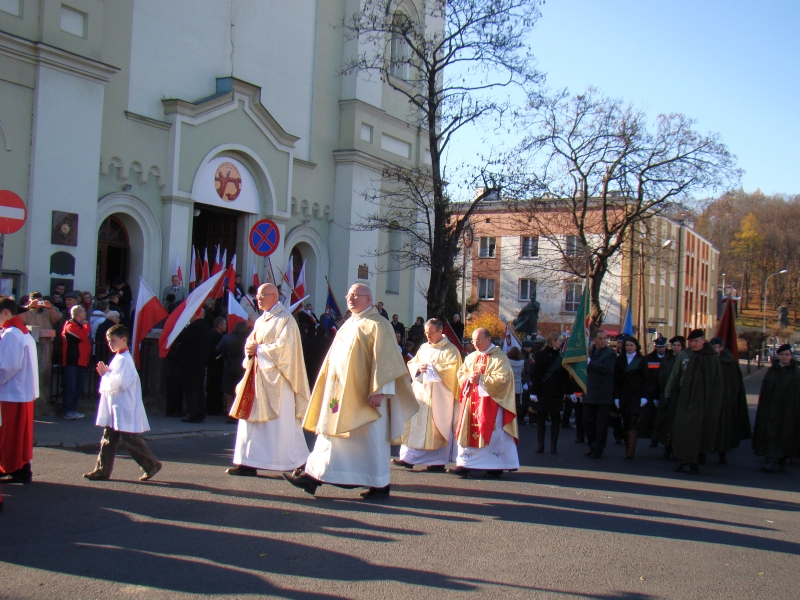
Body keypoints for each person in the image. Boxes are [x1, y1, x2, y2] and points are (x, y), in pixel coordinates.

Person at [284, 283, 417, 500]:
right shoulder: (348, 325)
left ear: (369, 299)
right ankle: (312, 477)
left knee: (370, 440)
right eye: (349, 295)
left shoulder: (379, 325)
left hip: (367, 395)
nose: (351, 298)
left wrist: (380, 391)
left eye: (356, 295)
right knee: (331, 436)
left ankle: (379, 484)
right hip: (339, 394)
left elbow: (387, 361)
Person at [226, 284, 311, 476]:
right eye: (257, 296)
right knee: (250, 421)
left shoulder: (285, 319)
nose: (258, 299)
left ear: (274, 296)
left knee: (281, 424)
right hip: (257, 377)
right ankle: (247, 462)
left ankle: (294, 461)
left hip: (279, 381)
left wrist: (260, 350)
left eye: (262, 295)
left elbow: (286, 348)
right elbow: (252, 341)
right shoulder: (261, 320)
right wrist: (250, 350)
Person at [83, 325, 162, 482]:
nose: (110, 344)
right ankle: (102, 470)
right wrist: (107, 375)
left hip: (124, 407)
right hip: (116, 407)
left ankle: (151, 464)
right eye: (108, 341)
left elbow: (120, 384)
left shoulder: (125, 360)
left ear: (124, 339)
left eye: (113, 340)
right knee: (109, 438)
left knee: (129, 439)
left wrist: (105, 375)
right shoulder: (119, 358)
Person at [394, 318, 462, 471]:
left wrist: (432, 367)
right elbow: (412, 363)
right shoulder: (424, 347)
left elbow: (453, 371)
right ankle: (408, 458)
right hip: (421, 393)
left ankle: (437, 461)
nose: (428, 336)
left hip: (439, 397)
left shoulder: (451, 350)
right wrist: (419, 367)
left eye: (431, 333)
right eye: (426, 332)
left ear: (440, 331)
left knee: (435, 427)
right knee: (413, 424)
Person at [451, 327, 519, 477]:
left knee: (494, 433)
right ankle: (465, 464)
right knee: (467, 430)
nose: (475, 344)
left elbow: (503, 379)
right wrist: (468, 378)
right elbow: (461, 374)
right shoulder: (471, 357)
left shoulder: (499, 358)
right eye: (473, 340)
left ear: (489, 340)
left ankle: (495, 465)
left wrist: (481, 379)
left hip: (491, 403)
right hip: (471, 402)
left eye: (479, 340)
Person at [664, 329, 723, 474]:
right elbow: (675, 375)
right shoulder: (687, 355)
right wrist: (668, 394)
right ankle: (683, 459)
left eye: (696, 341)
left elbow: (716, 382)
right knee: (682, 429)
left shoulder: (711, 357)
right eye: (691, 341)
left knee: (699, 431)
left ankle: (694, 461)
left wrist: (713, 402)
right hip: (685, 397)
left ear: (703, 341)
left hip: (703, 399)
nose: (693, 344)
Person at [0, 297, 39, 489]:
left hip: (11, 392)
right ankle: (21, 469)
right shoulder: (22, 333)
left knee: (11, 434)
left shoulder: (11, 334)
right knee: (19, 434)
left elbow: (7, 366)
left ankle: (14, 469)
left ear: (6, 313)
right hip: (21, 391)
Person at [752, 344, 800, 472]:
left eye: (787, 355)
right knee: (770, 432)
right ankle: (769, 459)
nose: (784, 357)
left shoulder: (796, 372)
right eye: (782, 355)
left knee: (786, 434)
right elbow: (765, 388)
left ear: (791, 356)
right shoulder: (772, 371)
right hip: (771, 408)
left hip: (789, 409)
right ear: (778, 356)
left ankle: (783, 460)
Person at [710, 337, 752, 464]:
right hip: (709, 401)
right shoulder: (707, 361)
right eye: (712, 347)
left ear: (721, 348)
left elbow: (735, 384)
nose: (714, 349)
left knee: (723, 428)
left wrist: (730, 398)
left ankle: (722, 452)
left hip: (725, 401)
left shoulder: (729, 363)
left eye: (716, 347)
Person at [530, 332, 571, 454]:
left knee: (555, 418)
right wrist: (534, 392)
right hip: (543, 391)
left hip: (556, 392)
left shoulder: (561, 356)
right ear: (552, 341)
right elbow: (537, 375)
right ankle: (540, 445)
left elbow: (565, 376)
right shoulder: (541, 355)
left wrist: (569, 391)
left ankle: (554, 445)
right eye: (559, 341)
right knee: (541, 418)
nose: (561, 343)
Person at [613, 337, 649, 460]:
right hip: (624, 395)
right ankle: (627, 446)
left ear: (636, 346)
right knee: (625, 421)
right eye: (627, 345)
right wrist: (616, 397)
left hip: (636, 394)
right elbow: (616, 380)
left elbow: (646, 380)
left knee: (633, 420)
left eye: (631, 345)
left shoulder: (641, 360)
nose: (629, 347)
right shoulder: (620, 360)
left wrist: (645, 396)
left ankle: (631, 450)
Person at [583, 330, 616, 459]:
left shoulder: (609, 354)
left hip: (603, 394)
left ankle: (598, 448)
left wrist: (591, 363)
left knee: (601, 424)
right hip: (590, 393)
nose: (603, 341)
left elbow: (607, 369)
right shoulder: (590, 352)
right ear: (595, 340)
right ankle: (592, 445)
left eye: (605, 338)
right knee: (588, 422)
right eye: (600, 338)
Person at [175, 309, 212, 423]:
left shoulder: (193, 327)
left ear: (197, 314)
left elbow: (182, 338)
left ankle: (194, 413)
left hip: (190, 363)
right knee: (199, 389)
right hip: (201, 362)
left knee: (191, 389)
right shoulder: (206, 327)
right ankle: (201, 412)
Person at [653, 336, 683, 458]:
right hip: (667, 395)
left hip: (681, 396)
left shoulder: (686, 358)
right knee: (666, 423)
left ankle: (678, 449)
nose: (675, 348)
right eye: (674, 345)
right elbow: (660, 377)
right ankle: (667, 447)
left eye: (678, 345)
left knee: (678, 424)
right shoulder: (667, 359)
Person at [61, 305, 91, 419]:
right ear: (78, 313)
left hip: (81, 361)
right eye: (83, 312)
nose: (85, 314)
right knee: (71, 387)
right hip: (72, 361)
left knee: (78, 387)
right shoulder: (70, 326)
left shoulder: (80, 326)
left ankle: (72, 409)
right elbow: (82, 336)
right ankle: (68, 411)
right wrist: (86, 324)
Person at [218, 321, 251, 423]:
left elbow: (232, 350)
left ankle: (232, 413)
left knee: (232, 391)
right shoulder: (254, 333)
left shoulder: (242, 336)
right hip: (246, 367)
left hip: (237, 367)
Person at [639, 336, 668, 446]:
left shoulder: (669, 358)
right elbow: (646, 376)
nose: (661, 349)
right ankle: (653, 438)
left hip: (665, 390)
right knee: (652, 417)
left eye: (663, 347)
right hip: (652, 391)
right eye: (659, 347)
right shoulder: (649, 358)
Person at [507, 346, 526, 426]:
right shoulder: (522, 362)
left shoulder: (507, 361)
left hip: (508, 385)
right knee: (517, 403)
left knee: (509, 403)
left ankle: (509, 419)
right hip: (518, 384)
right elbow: (523, 372)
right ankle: (517, 419)